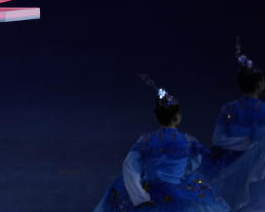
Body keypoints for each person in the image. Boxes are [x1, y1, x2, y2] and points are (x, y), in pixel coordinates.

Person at [92, 82, 230, 212]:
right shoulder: (188, 141)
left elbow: (129, 165)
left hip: (150, 188)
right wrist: (179, 173)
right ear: (178, 117)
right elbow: (195, 162)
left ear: (157, 116)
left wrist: (140, 196)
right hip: (177, 189)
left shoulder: (146, 140)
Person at [203, 49, 265, 210]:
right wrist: (255, 142)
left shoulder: (230, 108)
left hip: (232, 164)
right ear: (260, 84)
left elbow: (218, 139)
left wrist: (245, 141)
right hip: (258, 170)